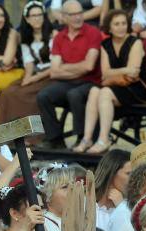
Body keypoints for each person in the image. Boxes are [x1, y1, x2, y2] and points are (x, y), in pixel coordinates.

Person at [74, 9, 146, 154]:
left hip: (136, 88)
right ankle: (87, 139)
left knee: (105, 92)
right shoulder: (105, 44)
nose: (121, 27)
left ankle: (103, 140)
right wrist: (124, 70)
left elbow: (133, 73)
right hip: (115, 85)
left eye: (123, 23)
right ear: (109, 27)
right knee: (94, 91)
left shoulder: (135, 42)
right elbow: (105, 72)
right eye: (116, 24)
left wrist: (115, 72)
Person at [37, 0, 102, 150]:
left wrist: (64, 68)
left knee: (74, 94)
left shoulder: (93, 32)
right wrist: (78, 67)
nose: (78, 17)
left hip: (90, 81)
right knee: (43, 96)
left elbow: (89, 66)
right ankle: (55, 139)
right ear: (64, 17)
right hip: (67, 82)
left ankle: (82, 138)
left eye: (80, 13)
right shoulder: (59, 37)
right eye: (73, 14)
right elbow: (54, 71)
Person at [0, 1, 54, 125]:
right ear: (27, 19)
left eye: (40, 15)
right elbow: (29, 64)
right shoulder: (26, 38)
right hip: (35, 74)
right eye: (34, 16)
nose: (37, 18)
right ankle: (6, 134)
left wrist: (33, 79)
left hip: (51, 75)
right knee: (7, 93)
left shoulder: (53, 35)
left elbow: (55, 66)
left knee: (25, 95)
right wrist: (27, 79)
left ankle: (32, 133)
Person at [38, 163, 84, 231]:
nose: (72, 189)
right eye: (65, 187)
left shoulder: (83, 218)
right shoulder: (42, 224)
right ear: (47, 196)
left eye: (73, 184)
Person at [94, 148, 131, 231]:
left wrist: (122, 206)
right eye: (129, 173)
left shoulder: (132, 208)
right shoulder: (85, 205)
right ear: (111, 173)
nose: (134, 178)